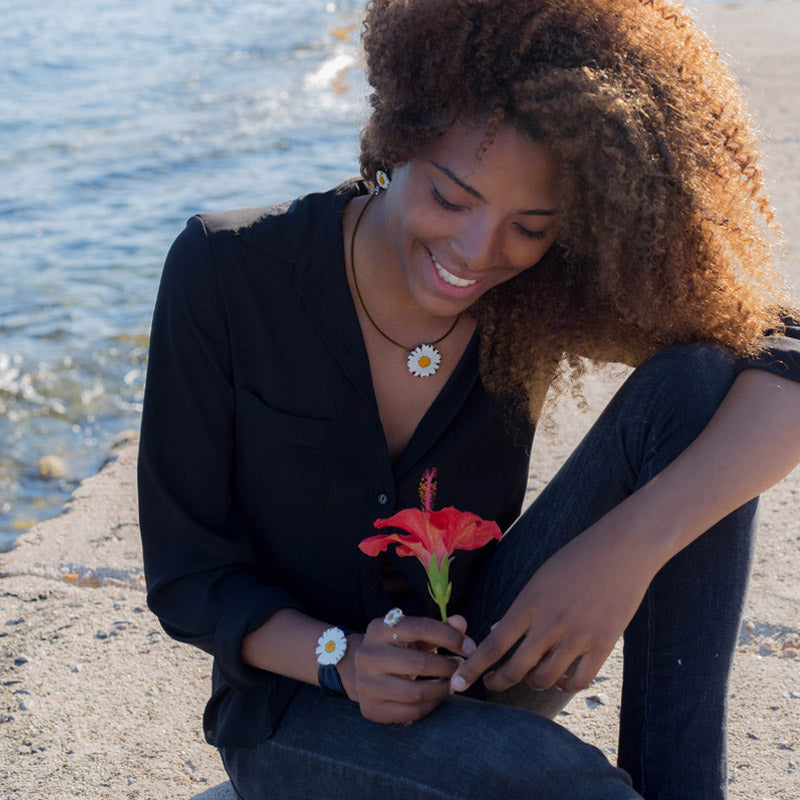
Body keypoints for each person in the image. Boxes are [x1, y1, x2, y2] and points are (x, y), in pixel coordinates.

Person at [138, 1, 800, 798]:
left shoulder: (539, 291)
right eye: (450, 199)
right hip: (301, 708)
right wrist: (343, 659)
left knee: (697, 381)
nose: (477, 253)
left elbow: (782, 351)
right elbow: (187, 574)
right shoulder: (228, 270)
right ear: (397, 139)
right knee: (565, 783)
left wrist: (628, 549)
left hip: (479, 659)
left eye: (531, 226)